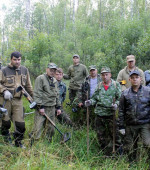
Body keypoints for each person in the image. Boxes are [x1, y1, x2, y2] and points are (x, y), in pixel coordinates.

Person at [85, 67, 122, 155]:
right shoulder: (99, 85)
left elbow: (119, 98)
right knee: (101, 135)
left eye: (106, 74)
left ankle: (119, 153)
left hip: (110, 114)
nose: (105, 77)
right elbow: (94, 98)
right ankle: (105, 153)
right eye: (103, 75)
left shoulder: (116, 85)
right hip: (99, 113)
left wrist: (116, 104)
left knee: (115, 135)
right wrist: (90, 102)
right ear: (101, 76)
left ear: (110, 75)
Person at [0, 51, 33, 148]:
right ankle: (6, 141)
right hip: (5, 100)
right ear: (11, 59)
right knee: (4, 123)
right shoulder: (4, 70)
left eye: (19, 59)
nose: (17, 62)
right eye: (15, 59)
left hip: (18, 100)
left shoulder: (24, 70)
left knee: (20, 124)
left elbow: (28, 86)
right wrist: (4, 90)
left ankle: (18, 143)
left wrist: (35, 99)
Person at [118, 70, 150, 162]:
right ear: (129, 79)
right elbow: (121, 110)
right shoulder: (125, 93)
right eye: (132, 78)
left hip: (145, 123)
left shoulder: (148, 91)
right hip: (130, 124)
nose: (135, 79)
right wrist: (121, 126)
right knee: (130, 147)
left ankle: (147, 162)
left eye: (137, 77)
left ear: (140, 79)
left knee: (147, 144)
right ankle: (132, 163)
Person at [31, 63, 61, 142]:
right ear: (47, 69)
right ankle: (33, 143)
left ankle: (47, 142)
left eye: (54, 70)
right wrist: (40, 106)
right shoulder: (40, 78)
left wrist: (58, 107)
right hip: (42, 107)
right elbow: (37, 93)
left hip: (52, 107)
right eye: (51, 70)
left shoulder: (54, 80)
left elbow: (57, 94)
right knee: (38, 127)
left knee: (50, 128)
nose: (52, 72)